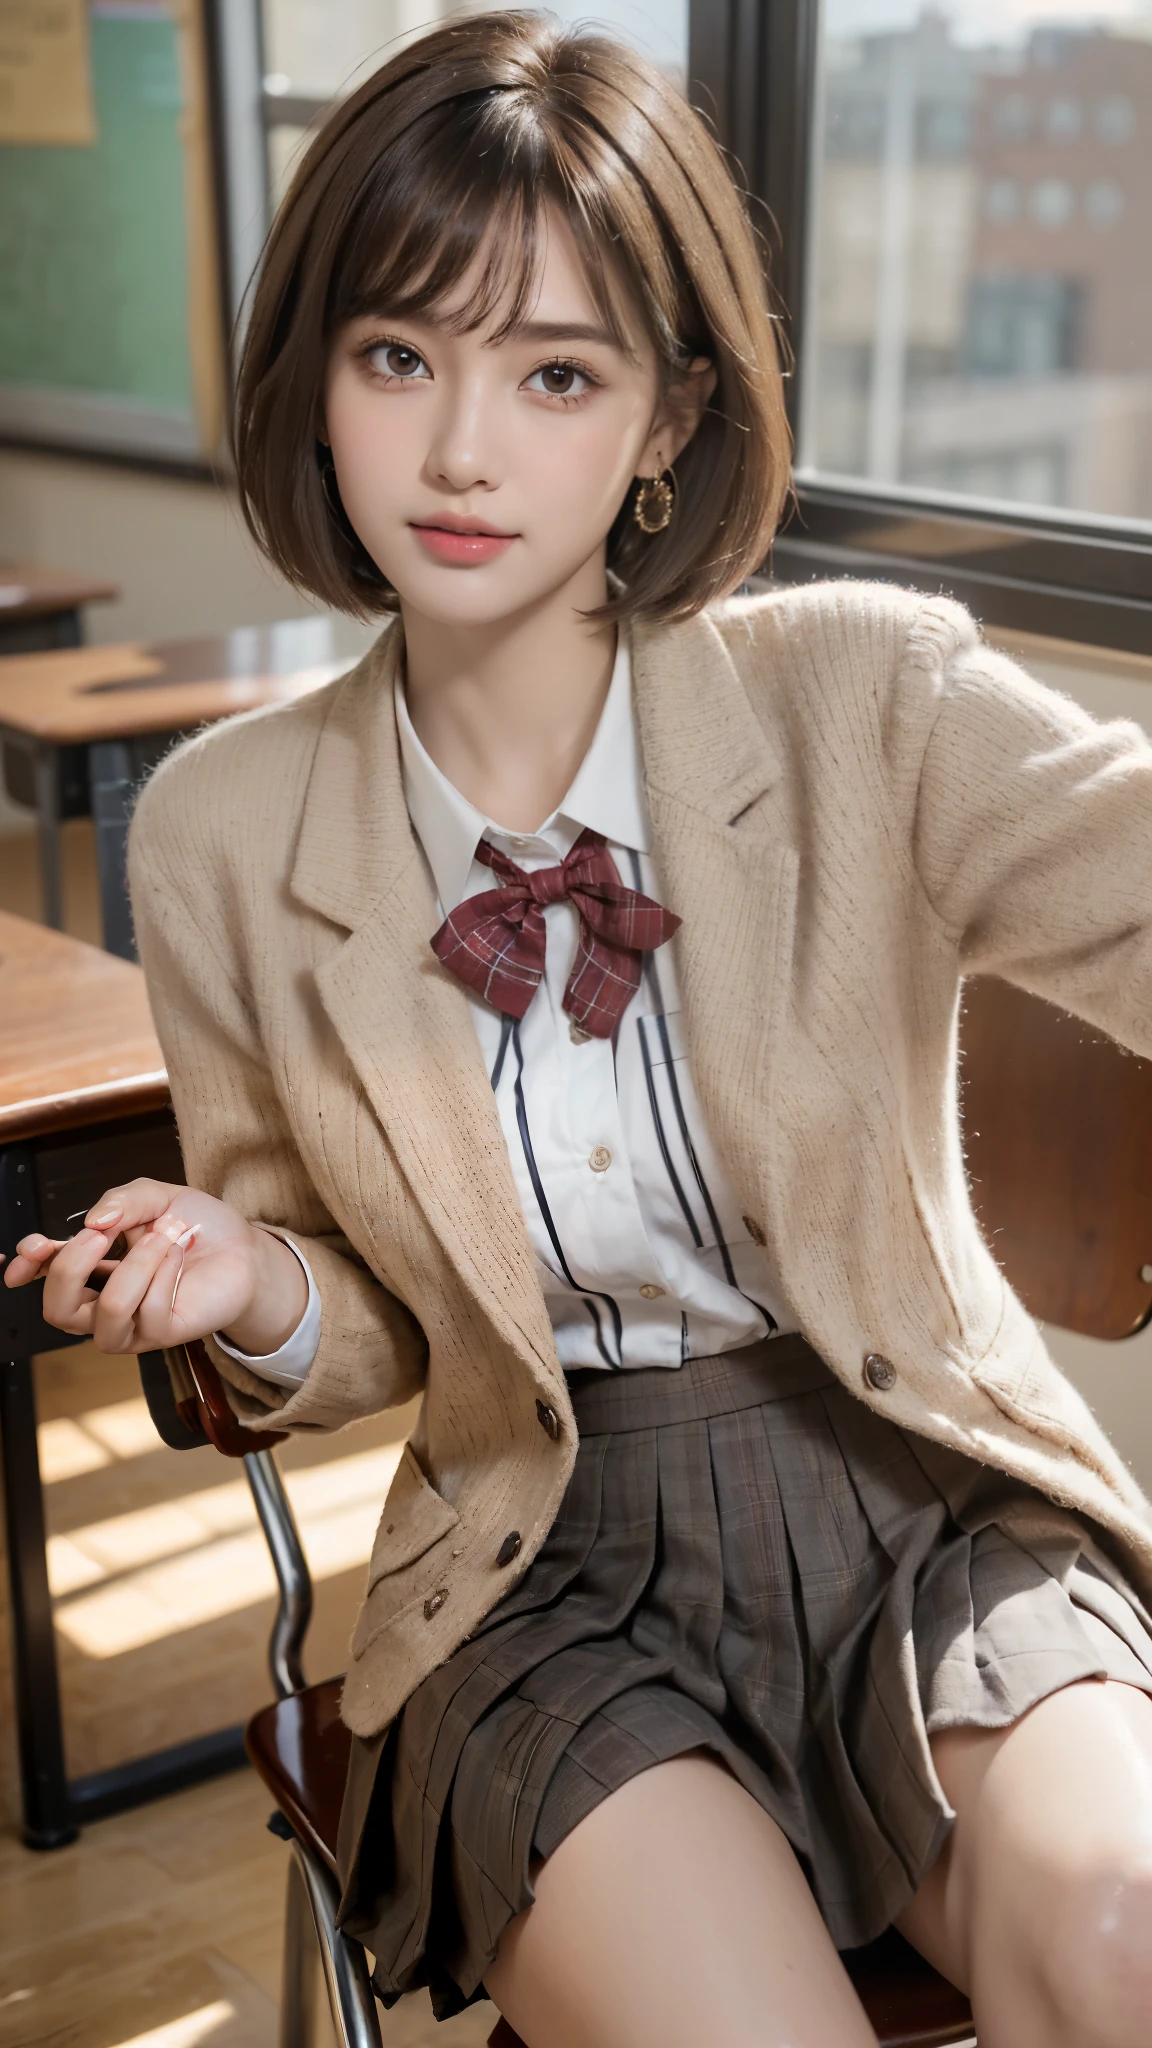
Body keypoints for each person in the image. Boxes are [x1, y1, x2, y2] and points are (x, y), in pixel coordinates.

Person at [6, 14, 1152, 2044]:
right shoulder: (220, 835)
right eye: (397, 356)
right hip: (539, 1561)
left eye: (556, 372)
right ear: (318, 382)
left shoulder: (863, 697)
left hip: (916, 1488)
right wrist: (246, 1280)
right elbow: (360, 1327)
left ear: (663, 416)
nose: (460, 450)